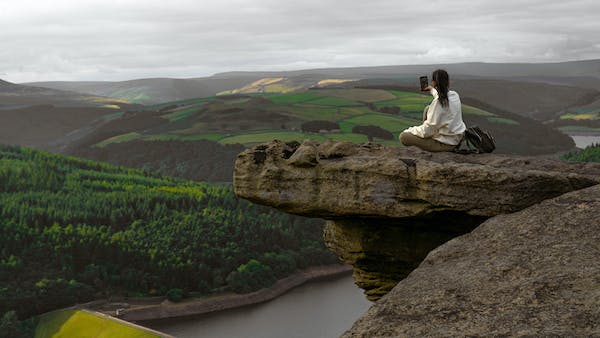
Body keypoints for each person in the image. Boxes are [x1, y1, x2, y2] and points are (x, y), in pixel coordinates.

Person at [399, 69, 466, 152]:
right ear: (448, 82)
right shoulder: (454, 95)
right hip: (456, 138)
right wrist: (431, 90)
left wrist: (410, 130)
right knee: (428, 109)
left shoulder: (438, 104)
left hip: (445, 144)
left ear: (433, 83)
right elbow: (441, 95)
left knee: (403, 137)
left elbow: (427, 130)